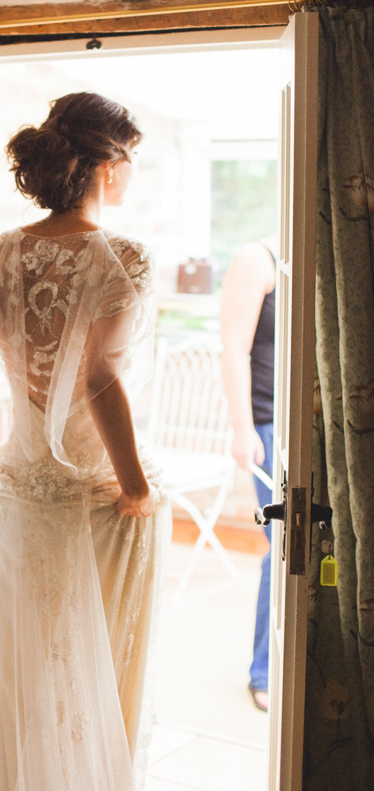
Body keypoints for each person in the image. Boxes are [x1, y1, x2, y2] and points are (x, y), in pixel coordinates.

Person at [0, 92, 171, 791]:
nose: (131, 174)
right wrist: (137, 487)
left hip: (25, 489)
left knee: (26, 665)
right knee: (101, 670)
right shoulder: (120, 258)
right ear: (106, 163)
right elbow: (99, 377)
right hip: (101, 497)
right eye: (131, 159)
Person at [220, 237, 276, 714]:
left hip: (314, 419)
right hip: (269, 425)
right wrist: (243, 428)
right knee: (283, 546)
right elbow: (234, 348)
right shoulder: (256, 259)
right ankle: (264, 671)